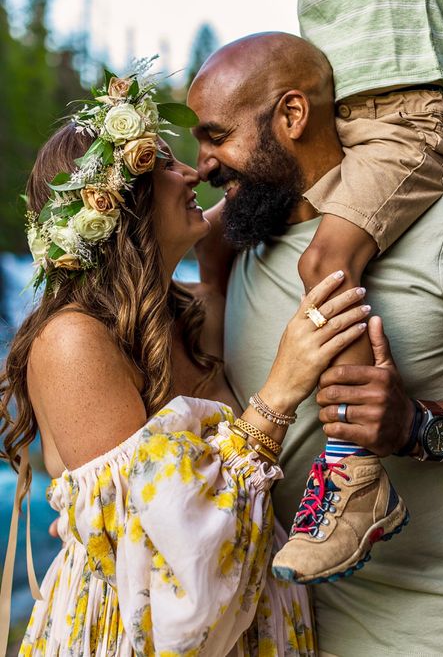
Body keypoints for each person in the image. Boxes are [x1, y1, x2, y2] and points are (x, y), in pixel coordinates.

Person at [0, 66, 371, 657]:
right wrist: (280, 392)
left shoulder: (194, 308)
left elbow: (262, 195)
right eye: (167, 165)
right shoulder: (73, 343)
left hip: (252, 619)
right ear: (121, 205)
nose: (195, 172)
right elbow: (166, 564)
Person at [187, 32, 443, 655]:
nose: (204, 165)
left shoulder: (439, 229)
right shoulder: (236, 243)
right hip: (291, 628)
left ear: (293, 115)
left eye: (217, 135)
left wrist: (415, 426)